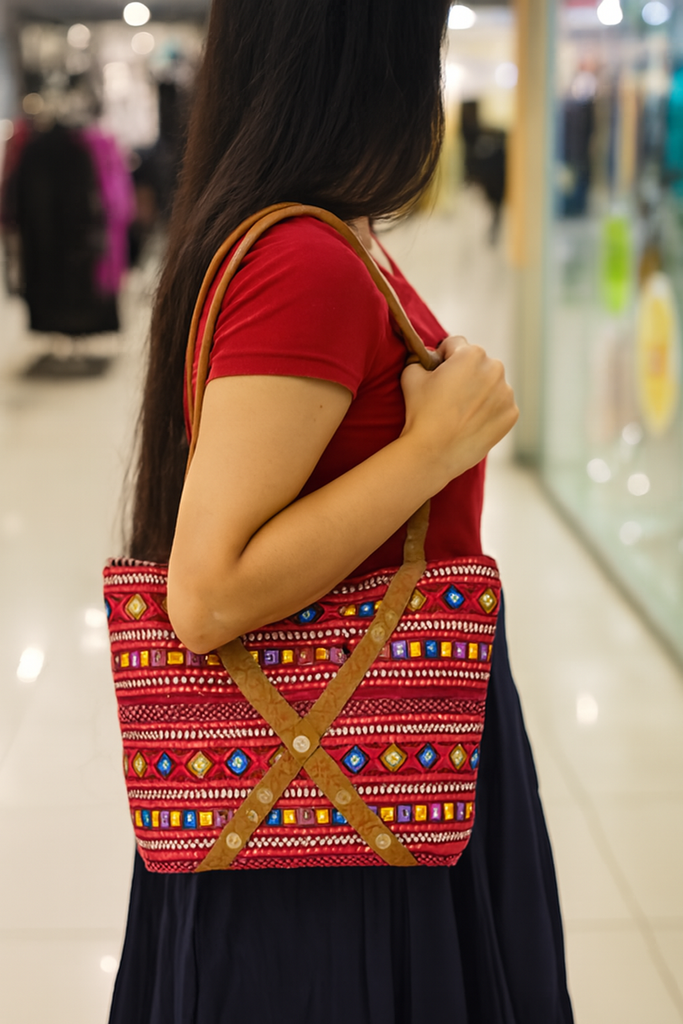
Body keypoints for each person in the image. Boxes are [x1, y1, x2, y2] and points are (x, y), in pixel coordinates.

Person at [109, 2, 574, 1022]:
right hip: (343, 796)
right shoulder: (305, 260)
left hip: (355, 754)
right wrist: (434, 448)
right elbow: (207, 590)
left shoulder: (317, 239)